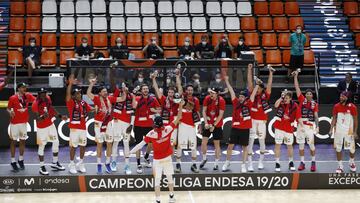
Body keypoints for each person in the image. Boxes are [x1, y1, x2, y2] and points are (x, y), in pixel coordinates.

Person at [128, 101, 184, 203]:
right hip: (167, 159)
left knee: (157, 180)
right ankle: (171, 197)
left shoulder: (151, 133)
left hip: (157, 161)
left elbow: (140, 145)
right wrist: (180, 106)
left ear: (154, 124)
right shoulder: (168, 129)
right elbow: (179, 117)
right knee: (169, 178)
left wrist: (129, 153)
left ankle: (158, 200)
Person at [87, 77, 127, 174]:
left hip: (108, 124)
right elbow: (88, 93)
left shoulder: (110, 98)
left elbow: (122, 98)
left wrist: (124, 91)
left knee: (109, 143)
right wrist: (91, 84)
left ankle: (108, 163)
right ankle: (99, 164)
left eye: (106, 91)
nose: (105, 92)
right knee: (99, 144)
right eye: (103, 91)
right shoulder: (96, 99)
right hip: (98, 124)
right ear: (100, 93)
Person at [222, 76, 259, 172]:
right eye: (240, 96)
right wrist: (227, 81)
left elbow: (253, 95)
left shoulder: (249, 104)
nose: (240, 98)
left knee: (244, 148)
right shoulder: (235, 103)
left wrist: (257, 85)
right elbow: (231, 92)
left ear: (245, 98)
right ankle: (227, 162)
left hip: (245, 129)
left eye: (242, 97)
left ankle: (243, 165)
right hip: (235, 128)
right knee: (230, 146)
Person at [32, 88, 67, 175]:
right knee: (42, 146)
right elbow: (37, 119)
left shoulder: (48, 99)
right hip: (41, 128)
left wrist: (60, 116)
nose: (44, 95)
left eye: (45, 93)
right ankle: (42, 166)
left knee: (56, 142)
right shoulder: (35, 104)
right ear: (39, 94)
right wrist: (44, 116)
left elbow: (51, 109)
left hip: (50, 125)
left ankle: (55, 163)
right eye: (42, 93)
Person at [247, 63, 274, 171]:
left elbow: (269, 85)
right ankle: (250, 164)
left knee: (262, 141)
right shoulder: (253, 92)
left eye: (259, 87)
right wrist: (249, 70)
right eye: (257, 87)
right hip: (252, 121)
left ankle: (261, 162)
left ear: (262, 89)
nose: (257, 89)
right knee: (251, 141)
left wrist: (271, 73)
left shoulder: (265, 95)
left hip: (262, 121)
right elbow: (249, 83)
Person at [66, 74, 93, 174]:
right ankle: (72, 164)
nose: (79, 95)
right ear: (73, 96)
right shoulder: (71, 102)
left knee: (83, 146)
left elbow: (91, 109)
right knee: (73, 147)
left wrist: (99, 108)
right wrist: (70, 84)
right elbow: (68, 95)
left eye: (80, 94)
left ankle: (81, 163)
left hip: (83, 128)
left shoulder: (83, 103)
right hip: (74, 129)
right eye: (77, 94)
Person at [7, 82, 36, 171]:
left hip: (24, 123)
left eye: (25, 87)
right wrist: (10, 112)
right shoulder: (12, 98)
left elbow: (36, 101)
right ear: (18, 88)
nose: (25, 89)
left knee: (23, 141)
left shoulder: (28, 96)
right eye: (23, 87)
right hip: (15, 123)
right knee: (13, 142)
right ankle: (12, 161)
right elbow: (8, 108)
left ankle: (20, 159)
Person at [176, 69, 201, 173]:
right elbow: (179, 85)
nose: (190, 91)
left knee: (193, 146)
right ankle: (178, 164)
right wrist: (178, 75)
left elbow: (197, 113)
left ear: (193, 91)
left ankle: (193, 165)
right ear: (186, 91)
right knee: (180, 145)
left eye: (191, 90)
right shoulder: (182, 97)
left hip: (191, 126)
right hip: (182, 125)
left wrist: (199, 125)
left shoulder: (195, 100)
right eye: (188, 90)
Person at [293, 71, 318, 172]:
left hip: (310, 126)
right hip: (301, 125)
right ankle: (302, 162)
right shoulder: (301, 99)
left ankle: (313, 162)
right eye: (307, 93)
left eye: (310, 94)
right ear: (305, 95)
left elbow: (316, 115)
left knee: (311, 145)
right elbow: (297, 87)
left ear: (312, 95)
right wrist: (295, 76)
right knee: (301, 145)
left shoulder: (314, 104)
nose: (308, 95)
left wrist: (318, 125)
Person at [133, 84, 161, 174]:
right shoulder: (137, 98)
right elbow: (134, 106)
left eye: (146, 89)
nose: (145, 90)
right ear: (141, 91)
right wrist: (133, 96)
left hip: (149, 125)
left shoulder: (153, 99)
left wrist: (154, 110)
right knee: (138, 145)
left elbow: (159, 109)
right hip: (138, 125)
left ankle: (146, 156)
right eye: (144, 89)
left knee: (151, 143)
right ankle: (138, 164)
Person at [111, 82, 136, 174]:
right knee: (116, 141)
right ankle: (113, 162)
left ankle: (127, 165)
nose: (124, 88)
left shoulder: (131, 96)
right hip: (117, 121)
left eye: (126, 87)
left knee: (126, 143)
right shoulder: (118, 93)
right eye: (123, 87)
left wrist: (131, 125)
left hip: (127, 124)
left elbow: (134, 109)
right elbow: (113, 97)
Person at [329, 91, 358, 173]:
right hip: (339, 131)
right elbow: (334, 118)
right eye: (340, 96)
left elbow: (355, 120)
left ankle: (351, 162)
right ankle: (340, 165)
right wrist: (331, 129)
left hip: (349, 132)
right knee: (338, 148)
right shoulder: (336, 106)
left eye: (343, 96)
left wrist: (355, 132)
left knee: (351, 149)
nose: (340, 98)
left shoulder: (352, 107)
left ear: (347, 97)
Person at [200, 87, 226, 171]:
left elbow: (221, 115)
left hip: (217, 125)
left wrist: (214, 125)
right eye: (210, 92)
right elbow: (203, 111)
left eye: (213, 93)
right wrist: (206, 122)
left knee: (216, 144)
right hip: (208, 123)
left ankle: (216, 163)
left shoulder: (221, 101)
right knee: (204, 143)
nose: (211, 94)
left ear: (217, 94)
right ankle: (204, 159)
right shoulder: (207, 98)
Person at [151, 71, 179, 146]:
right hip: (164, 124)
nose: (170, 94)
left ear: (174, 93)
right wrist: (153, 79)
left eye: (172, 93)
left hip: (173, 124)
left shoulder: (177, 101)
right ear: (167, 93)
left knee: (172, 144)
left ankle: (171, 157)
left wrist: (177, 76)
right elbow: (157, 90)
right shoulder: (164, 99)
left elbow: (180, 88)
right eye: (169, 92)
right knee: (162, 143)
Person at [273, 90, 298, 172]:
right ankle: (277, 163)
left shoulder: (294, 105)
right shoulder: (281, 102)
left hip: (288, 129)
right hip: (279, 128)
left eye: (287, 98)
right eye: (285, 98)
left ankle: (291, 162)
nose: (285, 100)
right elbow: (275, 105)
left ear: (290, 98)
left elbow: (296, 117)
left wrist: (289, 119)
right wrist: (281, 97)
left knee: (289, 146)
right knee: (278, 145)